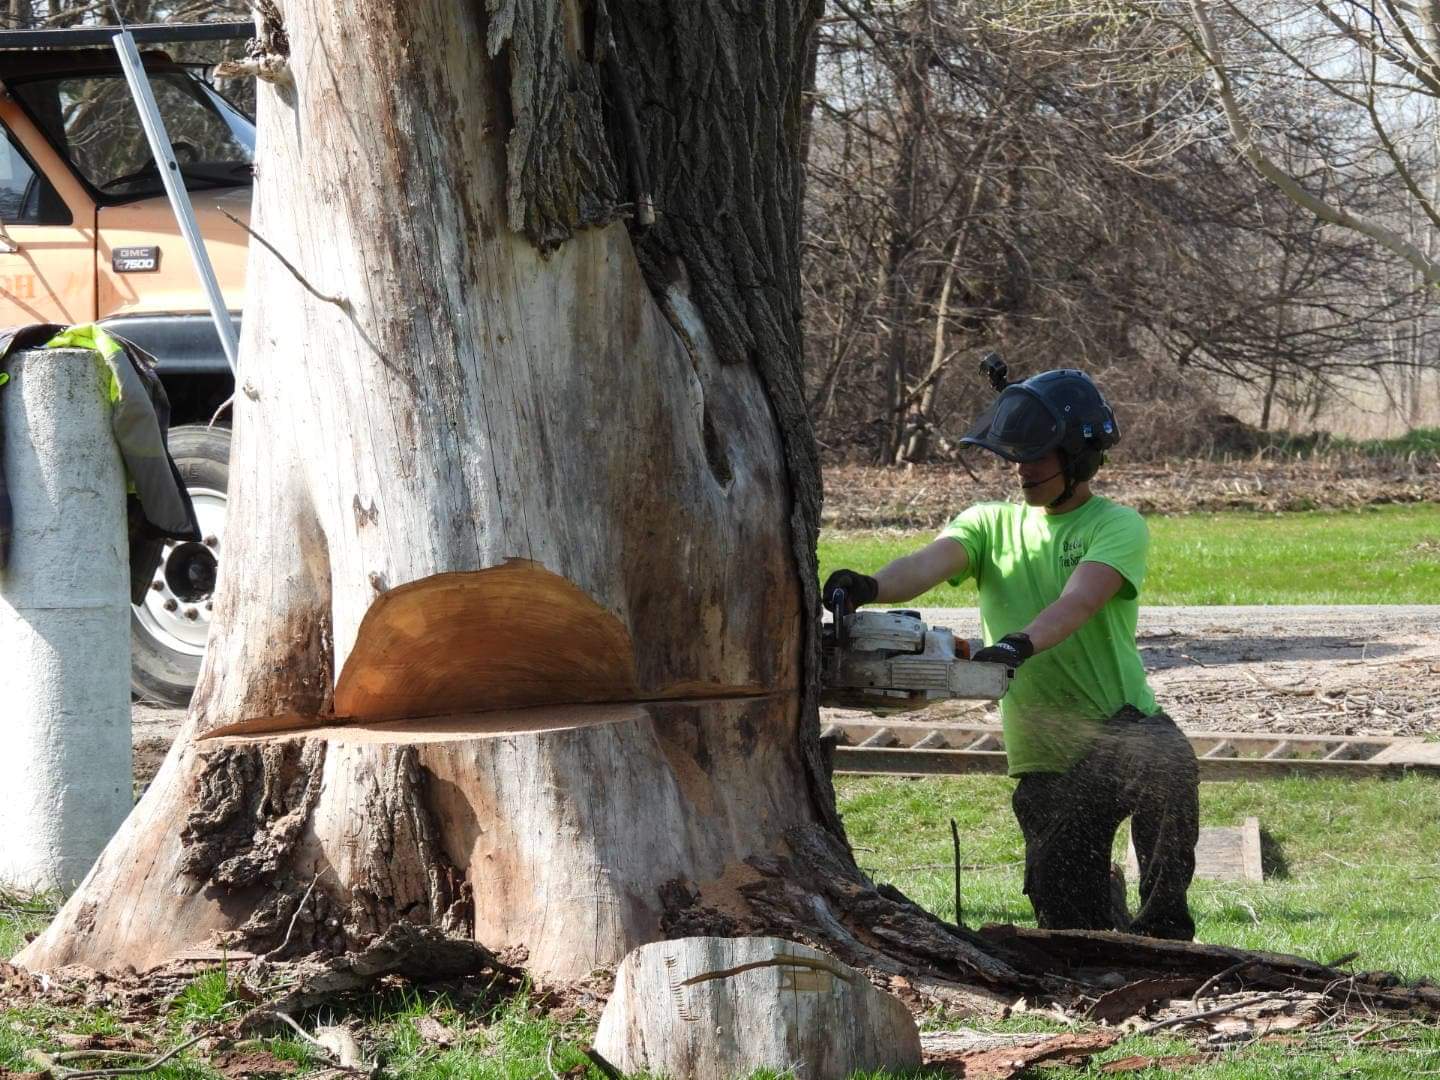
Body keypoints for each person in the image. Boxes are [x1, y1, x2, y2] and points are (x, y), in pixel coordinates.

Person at [824, 369, 1199, 939]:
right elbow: (926, 564)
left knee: (1166, 763)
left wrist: (1017, 644)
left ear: (1078, 456)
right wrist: (869, 586)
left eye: (1036, 455)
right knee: (1072, 928)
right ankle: (1110, 919)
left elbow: (1079, 600)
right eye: (1016, 457)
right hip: (1045, 758)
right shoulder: (988, 524)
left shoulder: (1116, 525)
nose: (1021, 469)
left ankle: (1167, 934)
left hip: (1119, 730)